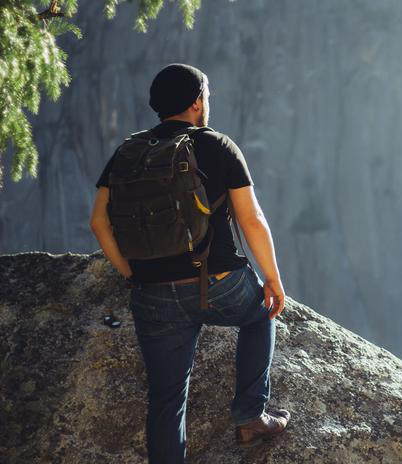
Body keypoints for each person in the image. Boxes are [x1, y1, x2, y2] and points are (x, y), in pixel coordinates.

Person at [89, 63, 290, 463]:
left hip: (152, 292)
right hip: (218, 281)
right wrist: (272, 279)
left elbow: (98, 222)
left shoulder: (129, 151)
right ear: (198, 101)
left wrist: (133, 273)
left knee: (166, 400)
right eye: (207, 97)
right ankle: (250, 417)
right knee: (259, 316)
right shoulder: (217, 145)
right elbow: (252, 219)